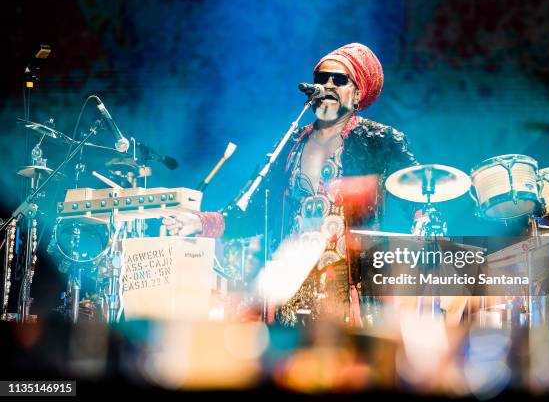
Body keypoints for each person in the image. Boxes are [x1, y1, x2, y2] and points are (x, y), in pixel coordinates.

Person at [164, 43, 418, 326]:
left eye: (339, 79)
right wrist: (200, 222)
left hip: (349, 284)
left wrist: (424, 223)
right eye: (322, 79)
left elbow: (418, 192)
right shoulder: (290, 144)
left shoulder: (379, 140)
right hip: (291, 283)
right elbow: (251, 209)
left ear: (358, 93)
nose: (328, 85)